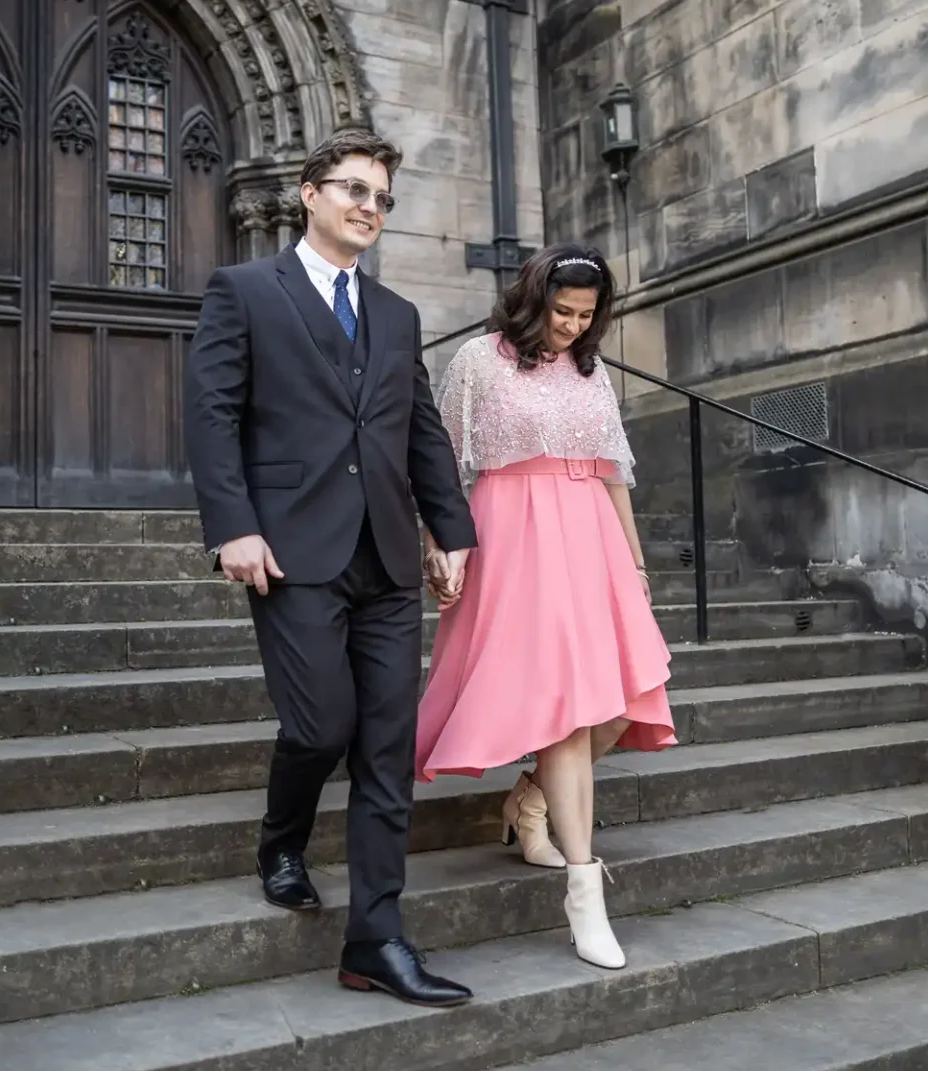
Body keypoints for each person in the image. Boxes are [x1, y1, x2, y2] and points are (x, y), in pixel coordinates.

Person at [183, 129, 480, 1008]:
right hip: (291, 550)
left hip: (387, 556)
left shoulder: (396, 316)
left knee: (388, 749)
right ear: (309, 193)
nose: (369, 207)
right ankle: (282, 838)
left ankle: (376, 940)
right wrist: (231, 526)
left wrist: (450, 527)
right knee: (320, 728)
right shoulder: (244, 291)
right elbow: (211, 414)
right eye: (353, 189)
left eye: (383, 198)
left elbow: (419, 430)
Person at [415, 245, 676, 971]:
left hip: (591, 534)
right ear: (533, 301)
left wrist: (636, 561)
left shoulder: (590, 373)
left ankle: (532, 799)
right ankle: (584, 890)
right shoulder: (478, 360)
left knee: (626, 698)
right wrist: (440, 544)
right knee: (566, 707)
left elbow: (612, 473)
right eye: (562, 311)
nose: (571, 326)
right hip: (512, 530)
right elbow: (438, 458)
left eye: (586, 316)